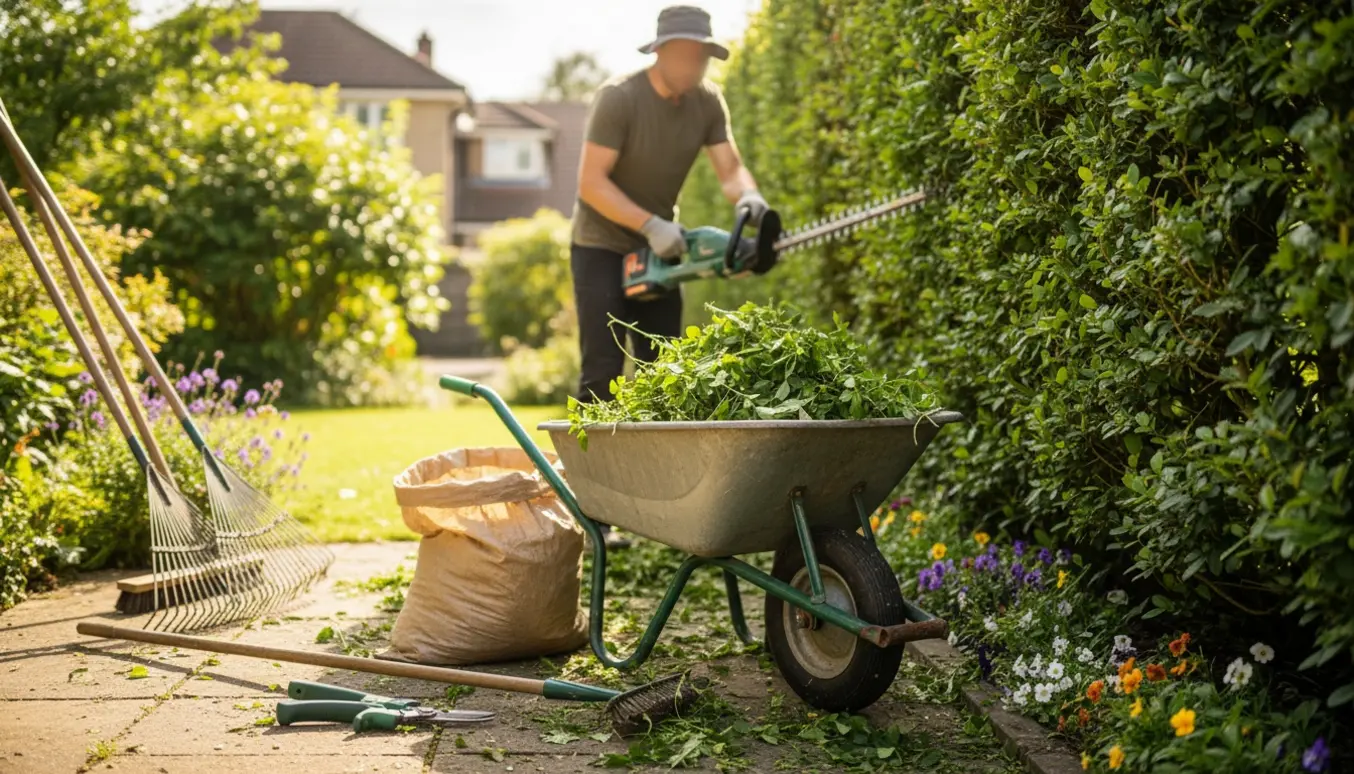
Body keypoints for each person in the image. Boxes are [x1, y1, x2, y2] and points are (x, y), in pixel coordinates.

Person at [569, 6, 768, 548]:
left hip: (661, 252)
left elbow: (730, 168)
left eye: (703, 56)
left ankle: (661, 512)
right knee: (603, 370)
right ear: (661, 52)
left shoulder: (707, 102)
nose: (696, 65)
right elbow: (590, 183)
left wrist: (749, 197)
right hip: (601, 245)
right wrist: (650, 224)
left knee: (664, 372)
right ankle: (593, 515)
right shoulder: (619, 98)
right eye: (688, 55)